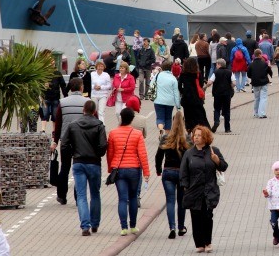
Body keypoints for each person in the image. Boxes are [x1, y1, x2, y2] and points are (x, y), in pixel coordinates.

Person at [61, 99, 107, 236]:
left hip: (78, 162)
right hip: (94, 163)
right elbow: (103, 145)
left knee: (81, 195)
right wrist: (98, 154)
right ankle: (95, 224)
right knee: (95, 193)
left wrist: (71, 154)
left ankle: (85, 226)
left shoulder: (73, 125)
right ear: (94, 111)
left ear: (83, 110)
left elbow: (64, 143)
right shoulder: (99, 125)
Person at [180, 125, 228, 253]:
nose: (196, 138)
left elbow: (224, 167)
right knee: (195, 217)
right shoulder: (189, 153)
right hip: (194, 190)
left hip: (209, 189)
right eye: (195, 135)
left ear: (205, 137)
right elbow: (183, 172)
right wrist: (185, 187)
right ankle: (199, 244)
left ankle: (208, 242)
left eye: (199, 135)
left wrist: (217, 161)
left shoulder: (214, 151)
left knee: (207, 216)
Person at [107, 107, 150, 236]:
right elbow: (142, 154)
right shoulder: (137, 134)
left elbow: (110, 153)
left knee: (122, 199)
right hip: (134, 170)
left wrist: (110, 168)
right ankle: (133, 226)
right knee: (132, 197)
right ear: (132, 119)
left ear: (121, 118)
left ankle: (123, 227)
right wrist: (146, 172)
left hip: (119, 170)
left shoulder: (113, 133)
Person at [50, 78, 89, 205]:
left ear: (70, 88)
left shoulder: (62, 102)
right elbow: (93, 121)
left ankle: (61, 196)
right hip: (82, 141)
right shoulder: (87, 102)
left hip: (66, 140)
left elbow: (58, 123)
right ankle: (79, 197)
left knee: (65, 167)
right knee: (80, 168)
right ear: (81, 88)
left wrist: (55, 141)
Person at [156, 112, 190, 239]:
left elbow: (158, 156)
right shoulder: (187, 139)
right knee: (181, 201)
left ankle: (172, 227)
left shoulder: (166, 138)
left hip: (168, 171)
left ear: (172, 121)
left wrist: (158, 169)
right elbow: (190, 159)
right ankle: (181, 227)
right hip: (182, 173)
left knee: (170, 201)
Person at [178, 57, 210, 130]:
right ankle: (202, 129)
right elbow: (201, 84)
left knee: (188, 116)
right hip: (196, 98)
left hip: (186, 98)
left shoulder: (183, 74)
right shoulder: (198, 74)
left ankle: (190, 130)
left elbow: (179, 86)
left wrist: (184, 91)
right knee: (200, 115)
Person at [204, 58, 235, 133]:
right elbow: (234, 83)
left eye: (217, 64)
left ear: (219, 64)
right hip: (227, 94)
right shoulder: (230, 72)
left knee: (217, 109)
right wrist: (230, 86)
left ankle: (216, 121)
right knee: (227, 110)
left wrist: (204, 87)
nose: (216, 66)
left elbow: (210, 82)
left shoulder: (216, 72)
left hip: (217, 94)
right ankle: (227, 128)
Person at [152, 60, 181, 135]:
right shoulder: (173, 78)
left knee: (160, 118)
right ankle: (167, 136)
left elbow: (151, 84)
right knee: (168, 118)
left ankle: (161, 129)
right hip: (169, 102)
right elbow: (176, 93)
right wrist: (178, 106)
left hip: (158, 100)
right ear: (171, 68)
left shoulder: (158, 75)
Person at [41, 59, 67, 133]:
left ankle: (54, 131)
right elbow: (39, 85)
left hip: (55, 97)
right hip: (45, 97)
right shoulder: (43, 74)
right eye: (50, 63)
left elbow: (63, 85)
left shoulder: (58, 73)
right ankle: (43, 130)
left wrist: (65, 95)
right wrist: (43, 86)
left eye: (53, 63)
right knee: (44, 114)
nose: (52, 65)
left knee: (55, 115)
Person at [249, 49, 273, 119]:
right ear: (259, 55)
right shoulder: (264, 64)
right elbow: (270, 72)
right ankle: (262, 113)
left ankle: (256, 113)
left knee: (256, 98)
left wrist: (253, 77)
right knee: (263, 98)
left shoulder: (251, 64)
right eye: (261, 54)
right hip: (263, 83)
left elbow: (248, 74)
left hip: (255, 83)